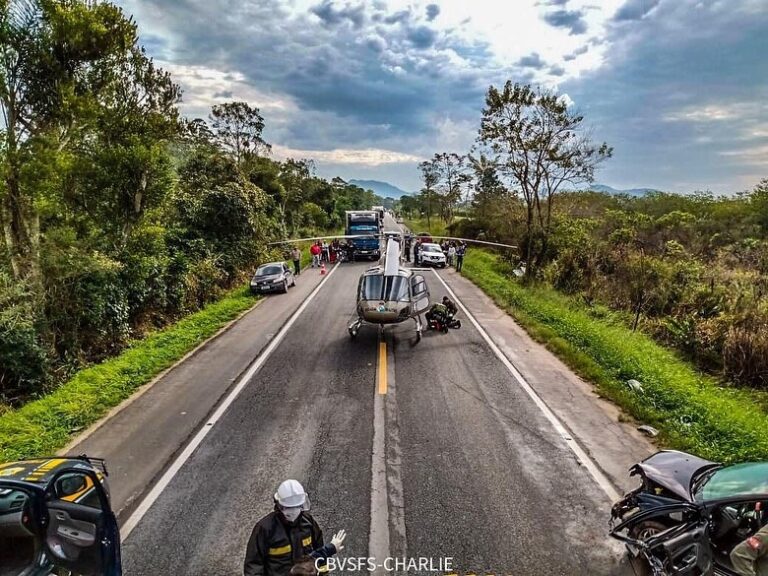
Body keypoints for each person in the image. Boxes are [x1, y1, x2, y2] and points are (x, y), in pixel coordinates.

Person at [244, 479, 330, 576]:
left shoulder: (308, 523)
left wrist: (324, 573)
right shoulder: (265, 529)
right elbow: (253, 566)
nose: (293, 511)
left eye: (297, 506)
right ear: (279, 506)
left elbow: (320, 552)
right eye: (289, 508)